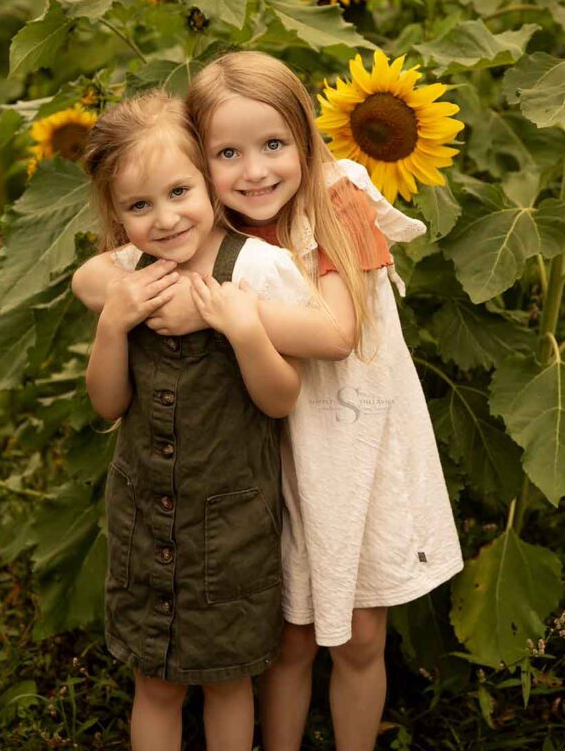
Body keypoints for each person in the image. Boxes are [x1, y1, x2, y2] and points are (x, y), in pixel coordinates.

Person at [74, 53, 463, 751]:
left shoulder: (334, 199)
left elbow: (338, 334)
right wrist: (130, 301)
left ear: (307, 141)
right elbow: (91, 276)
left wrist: (209, 310)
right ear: (200, 160)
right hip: (260, 444)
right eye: (229, 153)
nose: (254, 171)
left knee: (359, 630)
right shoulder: (200, 212)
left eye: (274, 145)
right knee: (285, 631)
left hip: (348, 435)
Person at [80, 88, 336, 751]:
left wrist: (245, 331)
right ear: (115, 213)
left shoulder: (258, 268)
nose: (164, 220)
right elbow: (109, 403)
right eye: (138, 206)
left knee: (229, 681)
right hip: (144, 520)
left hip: (229, 530)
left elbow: (281, 399)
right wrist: (114, 322)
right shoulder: (129, 275)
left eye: (178, 192)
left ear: (208, 180)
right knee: (156, 684)